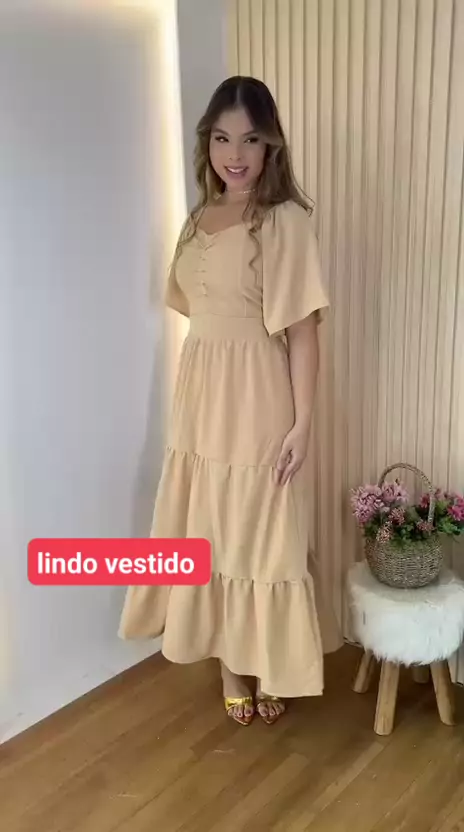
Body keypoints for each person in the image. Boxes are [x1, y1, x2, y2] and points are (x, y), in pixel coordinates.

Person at [119, 75, 341, 726]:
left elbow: (302, 332)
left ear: (271, 145)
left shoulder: (286, 221)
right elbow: (197, 310)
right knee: (209, 528)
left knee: (260, 532)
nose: (235, 154)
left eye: (249, 139)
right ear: (207, 144)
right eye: (221, 139)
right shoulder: (196, 221)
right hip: (201, 397)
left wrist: (303, 423)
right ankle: (230, 665)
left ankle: (265, 661)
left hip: (259, 398)